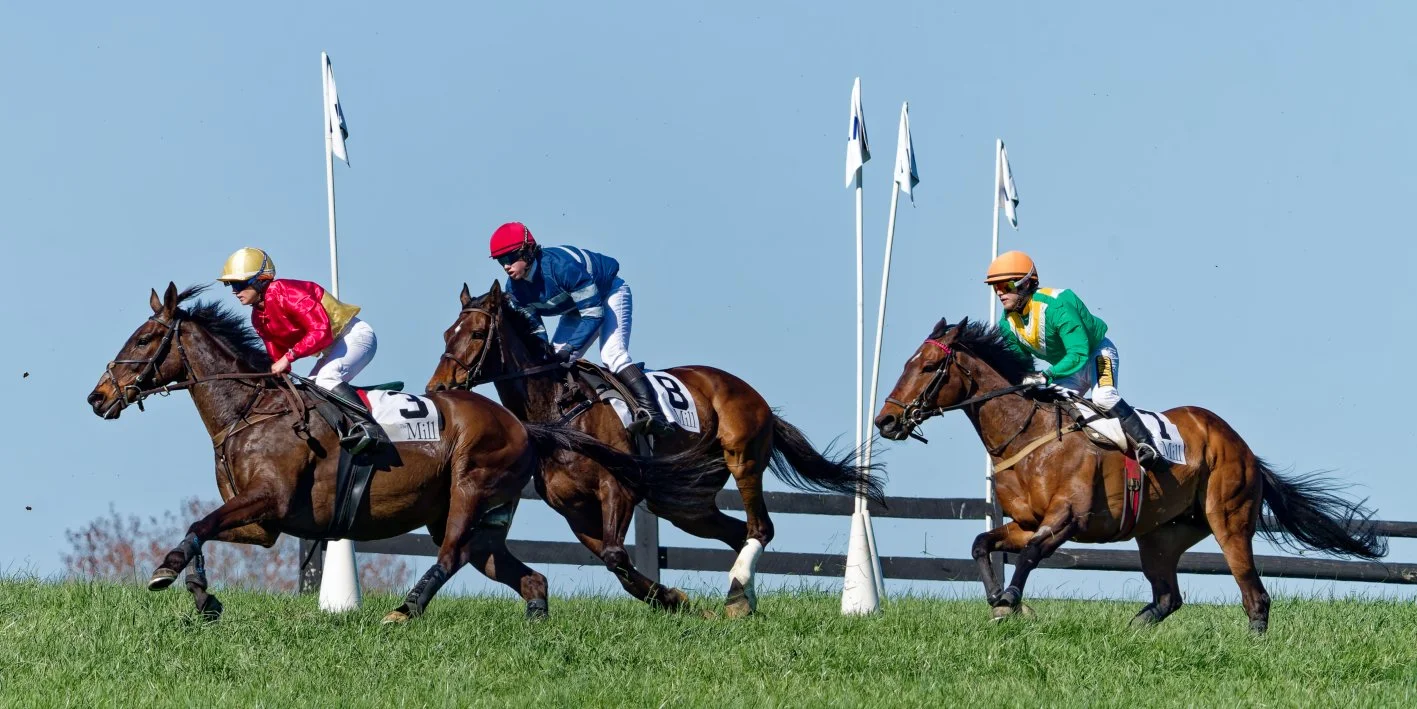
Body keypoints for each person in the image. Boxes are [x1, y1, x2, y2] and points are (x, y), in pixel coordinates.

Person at [487, 221, 673, 436]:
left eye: (510, 258)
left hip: (608, 294)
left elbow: (594, 314)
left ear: (527, 251)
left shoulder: (561, 268)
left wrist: (571, 347)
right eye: (501, 261)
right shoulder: (515, 290)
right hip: (576, 307)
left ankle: (655, 415)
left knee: (613, 355)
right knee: (553, 362)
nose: (506, 266)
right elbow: (536, 332)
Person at [985, 250, 1160, 468]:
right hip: (1067, 370)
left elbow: (1078, 353)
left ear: (1026, 284)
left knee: (1104, 396)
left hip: (1097, 354)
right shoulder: (1007, 323)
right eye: (996, 288)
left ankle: (1147, 444)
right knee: (1046, 407)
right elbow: (1023, 364)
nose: (1000, 293)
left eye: (1006, 286)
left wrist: (1046, 375)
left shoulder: (1058, 305)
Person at [216, 247, 378, 453]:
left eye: (239, 284)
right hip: (332, 348)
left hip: (354, 337)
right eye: (231, 285)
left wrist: (289, 356)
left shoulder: (287, 293)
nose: (234, 291)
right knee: (310, 390)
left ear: (260, 280)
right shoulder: (258, 317)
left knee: (326, 379)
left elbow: (322, 331)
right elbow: (277, 359)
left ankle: (370, 428)